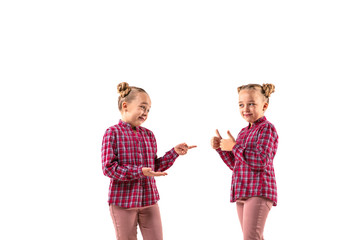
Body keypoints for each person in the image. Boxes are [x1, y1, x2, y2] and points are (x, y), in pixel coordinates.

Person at [102, 82, 196, 240]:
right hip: (123, 202)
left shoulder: (149, 135)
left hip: (149, 199)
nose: (145, 112)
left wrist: (174, 153)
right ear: (125, 106)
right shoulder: (112, 133)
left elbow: (154, 167)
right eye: (142, 107)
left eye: (148, 110)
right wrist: (139, 172)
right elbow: (109, 168)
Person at [211, 83, 278, 240]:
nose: (245, 109)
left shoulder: (267, 129)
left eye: (251, 104)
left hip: (259, 191)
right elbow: (236, 165)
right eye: (241, 104)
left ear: (264, 106)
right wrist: (221, 148)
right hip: (242, 191)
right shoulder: (243, 132)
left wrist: (234, 147)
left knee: (251, 237)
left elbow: (262, 160)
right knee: (254, 237)